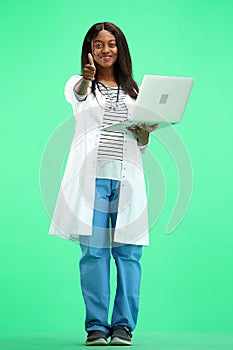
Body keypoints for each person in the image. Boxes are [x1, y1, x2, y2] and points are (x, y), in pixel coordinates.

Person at [49, 22, 158, 346]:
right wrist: (87, 78)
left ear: (120, 49)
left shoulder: (135, 91)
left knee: (128, 254)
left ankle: (123, 326)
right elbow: (78, 96)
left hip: (127, 182)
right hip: (91, 181)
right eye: (99, 45)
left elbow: (139, 144)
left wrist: (145, 133)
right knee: (94, 254)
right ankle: (96, 326)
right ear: (90, 49)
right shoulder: (79, 84)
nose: (105, 50)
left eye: (111, 44)